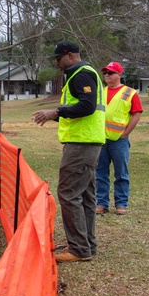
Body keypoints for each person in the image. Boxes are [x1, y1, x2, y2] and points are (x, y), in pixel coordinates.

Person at [32, 41, 105, 263]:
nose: (56, 63)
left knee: (69, 193)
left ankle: (79, 248)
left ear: (70, 56)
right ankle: (86, 244)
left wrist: (56, 111)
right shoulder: (81, 74)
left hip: (81, 144)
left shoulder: (81, 74)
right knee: (85, 196)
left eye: (58, 59)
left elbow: (87, 106)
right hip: (87, 142)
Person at [96, 62, 143, 216]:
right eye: (105, 73)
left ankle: (121, 204)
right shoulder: (100, 92)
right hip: (101, 139)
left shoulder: (130, 93)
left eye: (111, 72)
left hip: (119, 140)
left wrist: (125, 133)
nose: (107, 75)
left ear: (119, 75)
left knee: (121, 173)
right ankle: (101, 203)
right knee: (100, 173)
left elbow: (137, 113)